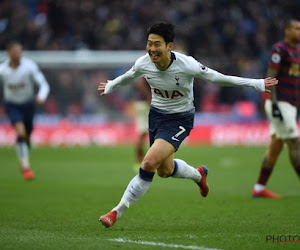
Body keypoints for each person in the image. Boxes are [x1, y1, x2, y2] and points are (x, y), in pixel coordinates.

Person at [98, 22, 277, 228]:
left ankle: (116, 212)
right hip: (156, 116)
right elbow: (128, 77)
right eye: (149, 44)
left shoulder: (187, 64)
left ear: (169, 46)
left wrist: (256, 83)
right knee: (164, 170)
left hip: (180, 119)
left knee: (148, 164)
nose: (152, 49)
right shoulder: (143, 63)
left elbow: (218, 78)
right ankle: (197, 174)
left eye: (157, 44)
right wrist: (111, 85)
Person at [252, 19, 300, 198]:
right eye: (296, 28)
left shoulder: (297, 50)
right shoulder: (280, 50)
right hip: (280, 104)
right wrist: (273, 103)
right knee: (294, 143)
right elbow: (270, 77)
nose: (299, 31)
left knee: (276, 147)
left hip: (291, 105)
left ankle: (259, 188)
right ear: (287, 31)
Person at [0, 41, 50, 180]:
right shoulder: (3, 70)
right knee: (20, 133)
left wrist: (41, 96)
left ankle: (25, 145)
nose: (18, 54)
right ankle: (25, 167)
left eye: (19, 51)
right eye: (15, 51)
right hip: (12, 105)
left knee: (26, 135)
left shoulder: (29, 67)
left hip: (28, 105)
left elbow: (44, 84)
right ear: (8, 53)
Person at [132, 77, 151, 173]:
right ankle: (140, 160)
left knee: (143, 132)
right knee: (144, 132)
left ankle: (139, 160)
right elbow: (141, 83)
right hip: (144, 103)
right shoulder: (147, 67)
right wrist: (149, 98)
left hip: (141, 102)